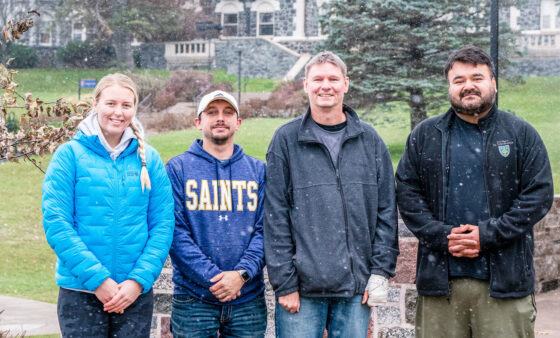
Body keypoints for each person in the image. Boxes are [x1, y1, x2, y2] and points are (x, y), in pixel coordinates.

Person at [395, 45, 554, 337]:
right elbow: (407, 194)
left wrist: (487, 235)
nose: (468, 85)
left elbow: (538, 195)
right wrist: (442, 235)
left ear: (492, 82)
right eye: (459, 80)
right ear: (449, 87)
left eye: (477, 77)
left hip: (504, 284)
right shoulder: (425, 136)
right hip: (440, 286)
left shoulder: (520, 134)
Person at [264, 51, 399, 338]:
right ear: (306, 85)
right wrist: (284, 283)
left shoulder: (370, 141)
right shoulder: (286, 140)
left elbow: (387, 211)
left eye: (333, 79)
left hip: (355, 288)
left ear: (346, 84)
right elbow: (275, 216)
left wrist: (380, 272)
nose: (326, 86)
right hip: (302, 291)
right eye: (318, 79)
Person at [42, 73, 174, 337]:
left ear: (134, 109)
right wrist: (99, 281)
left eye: (126, 105)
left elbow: (163, 224)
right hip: (81, 293)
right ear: (96, 105)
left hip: (133, 295)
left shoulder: (150, 158)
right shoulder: (69, 155)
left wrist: (137, 282)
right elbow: (57, 224)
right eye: (111, 103)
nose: (118, 112)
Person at [166, 90, 267, 337]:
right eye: (212, 112)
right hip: (193, 301)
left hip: (248, 301)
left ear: (238, 123)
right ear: (198, 122)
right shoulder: (178, 169)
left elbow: (268, 230)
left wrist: (241, 275)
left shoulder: (258, 171)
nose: (220, 118)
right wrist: (215, 279)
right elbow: (175, 233)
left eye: (228, 113)